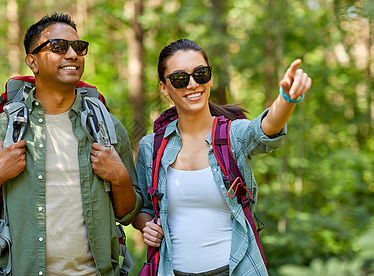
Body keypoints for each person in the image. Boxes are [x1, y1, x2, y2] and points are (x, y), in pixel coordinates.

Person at [0, 12, 143, 275]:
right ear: (33, 62)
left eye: (78, 47)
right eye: (58, 47)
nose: (73, 54)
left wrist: (120, 177)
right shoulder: (2, 129)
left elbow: (127, 214)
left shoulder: (106, 128)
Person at [134, 39, 312, 276]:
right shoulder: (152, 147)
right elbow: (142, 208)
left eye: (201, 73)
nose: (192, 84)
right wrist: (146, 226)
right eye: (179, 78)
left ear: (211, 77)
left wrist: (286, 99)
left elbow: (265, 128)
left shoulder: (232, 135)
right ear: (164, 87)